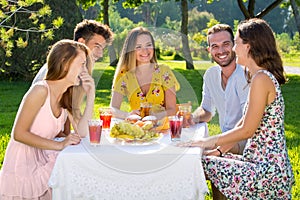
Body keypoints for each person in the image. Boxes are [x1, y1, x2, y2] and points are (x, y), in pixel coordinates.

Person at [180, 18, 295, 199]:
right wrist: (216, 149)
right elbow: (244, 121)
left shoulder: (261, 79)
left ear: (248, 46)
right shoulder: (258, 76)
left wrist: (205, 142)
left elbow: (247, 130)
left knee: (195, 163)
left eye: (235, 43)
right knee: (203, 160)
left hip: (265, 171)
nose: (233, 49)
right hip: (260, 164)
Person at [0, 39, 95, 199]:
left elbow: (83, 132)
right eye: (82, 64)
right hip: (22, 166)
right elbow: (19, 134)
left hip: (42, 159)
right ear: (65, 64)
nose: (85, 70)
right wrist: (59, 145)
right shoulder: (40, 91)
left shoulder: (65, 97)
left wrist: (91, 95)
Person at [189, 24, 249, 156]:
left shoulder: (246, 75)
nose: (221, 51)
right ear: (209, 50)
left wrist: (216, 148)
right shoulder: (211, 75)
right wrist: (191, 118)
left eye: (226, 44)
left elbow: (247, 123)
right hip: (226, 140)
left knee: (194, 153)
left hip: (247, 143)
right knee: (188, 150)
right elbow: (207, 110)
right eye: (215, 46)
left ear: (234, 45)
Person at [110, 27, 180, 120]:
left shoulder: (164, 72)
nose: (145, 51)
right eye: (138, 47)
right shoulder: (124, 74)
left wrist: (153, 118)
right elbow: (113, 109)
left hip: (162, 128)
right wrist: (127, 115)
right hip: (138, 129)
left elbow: (172, 109)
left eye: (148, 45)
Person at [32, 19, 114, 84]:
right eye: (97, 46)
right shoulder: (62, 68)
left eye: (102, 49)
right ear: (82, 42)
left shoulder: (76, 68)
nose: (100, 54)